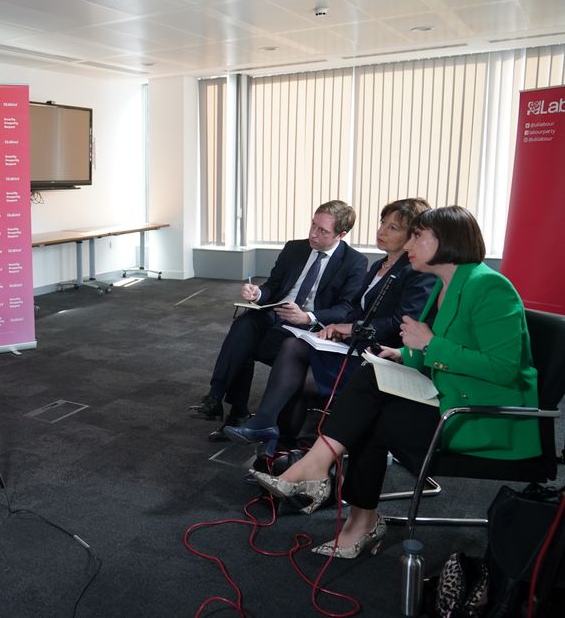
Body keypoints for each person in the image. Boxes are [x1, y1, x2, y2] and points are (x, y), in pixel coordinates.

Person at [252, 206, 540, 559]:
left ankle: (348, 504)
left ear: (445, 242)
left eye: (418, 236)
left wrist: (428, 345)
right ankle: (339, 494)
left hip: (484, 417)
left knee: (372, 418)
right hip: (449, 396)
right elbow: (451, 347)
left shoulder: (491, 287)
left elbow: (503, 369)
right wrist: (406, 355)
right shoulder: (449, 284)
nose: (409, 244)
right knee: (370, 376)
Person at [223, 198, 436, 452]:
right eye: (382, 223)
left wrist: (348, 328)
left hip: (380, 353)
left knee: (297, 368)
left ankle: (279, 445)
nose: (381, 231)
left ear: (413, 235)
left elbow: (398, 324)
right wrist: (336, 327)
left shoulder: (414, 272)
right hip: (355, 343)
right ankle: (271, 434)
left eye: (393, 228)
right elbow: (357, 308)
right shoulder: (380, 265)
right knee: (292, 345)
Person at [189, 200, 368, 438]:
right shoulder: (295, 248)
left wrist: (308, 316)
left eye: (322, 230)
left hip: (308, 327)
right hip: (276, 313)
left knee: (247, 347)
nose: (313, 234)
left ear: (341, 234)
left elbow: (346, 308)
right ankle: (215, 396)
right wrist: (259, 294)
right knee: (243, 325)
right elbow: (273, 286)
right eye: (313, 225)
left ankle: (238, 413)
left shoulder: (354, 261)